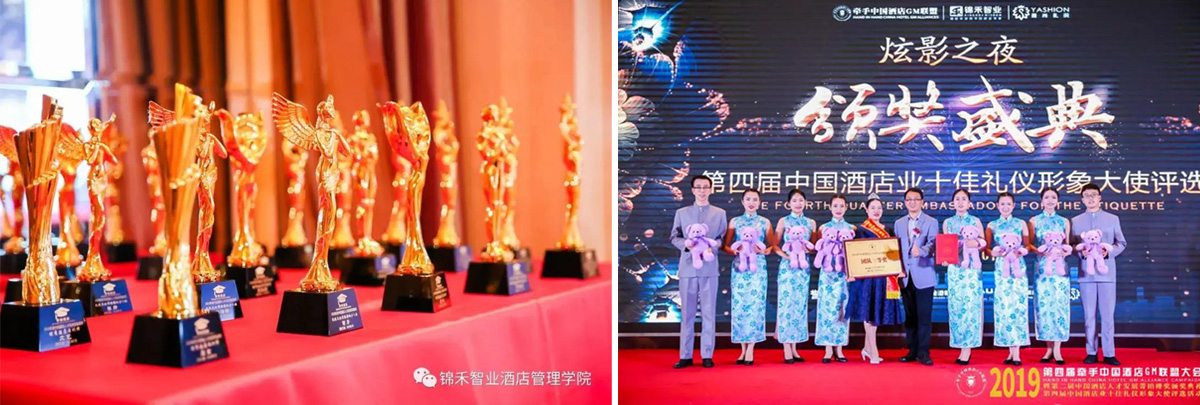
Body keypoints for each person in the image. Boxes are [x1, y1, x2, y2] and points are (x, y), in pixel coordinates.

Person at [669, 175, 727, 369]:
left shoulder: (719, 213)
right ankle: (685, 355)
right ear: (693, 190)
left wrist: (713, 247)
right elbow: (674, 237)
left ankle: (707, 354)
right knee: (687, 314)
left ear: (711, 189)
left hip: (710, 269)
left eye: (705, 187)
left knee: (709, 313)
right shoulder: (681, 213)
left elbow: (722, 239)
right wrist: (685, 245)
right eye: (698, 187)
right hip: (687, 268)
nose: (702, 191)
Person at [1071, 183, 1127, 365]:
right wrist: (1081, 252)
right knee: (1089, 316)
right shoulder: (1076, 221)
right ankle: (1091, 352)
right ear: (1082, 199)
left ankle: (1109, 353)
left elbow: (1121, 243)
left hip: (1107, 274)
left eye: (1093, 195)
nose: (1090, 198)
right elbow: (1071, 246)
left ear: (1100, 197)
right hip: (1086, 275)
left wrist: (1108, 252)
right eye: (1087, 195)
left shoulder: (1113, 219)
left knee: (1108, 316)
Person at [848, 196, 905, 364]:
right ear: (866, 210)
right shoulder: (860, 230)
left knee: (875, 312)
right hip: (867, 279)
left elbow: (894, 253)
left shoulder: (888, 230)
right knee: (869, 314)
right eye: (872, 208)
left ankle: (866, 348)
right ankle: (874, 352)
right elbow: (855, 255)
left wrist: (899, 269)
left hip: (883, 278)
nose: (876, 211)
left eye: (879, 208)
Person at [723, 188, 773, 366]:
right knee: (740, 307)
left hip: (758, 268)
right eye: (748, 199)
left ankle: (751, 348)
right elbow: (726, 246)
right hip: (739, 268)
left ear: (759, 202)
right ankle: (742, 349)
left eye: (755, 199)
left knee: (755, 307)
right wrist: (735, 251)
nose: (751, 203)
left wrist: (763, 250)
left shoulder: (765, 222)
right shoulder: (735, 221)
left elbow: (772, 246)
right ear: (742, 201)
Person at [985, 192, 1031, 366]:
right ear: (997, 206)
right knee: (1004, 308)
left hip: (1019, 270)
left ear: (1013, 205)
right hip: (1001, 270)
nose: (1005, 207)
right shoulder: (992, 225)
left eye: (1008, 204)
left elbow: (1028, 245)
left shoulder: (1021, 224)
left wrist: (1021, 251)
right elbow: (986, 249)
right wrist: (995, 253)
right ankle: (1010, 350)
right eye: (1002, 204)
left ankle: (1017, 351)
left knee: (1018, 307)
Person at [773, 188, 816, 364]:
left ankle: (795, 347)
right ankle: (786, 347)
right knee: (786, 306)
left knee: (799, 306)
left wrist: (808, 249)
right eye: (795, 200)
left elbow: (814, 246)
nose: (798, 204)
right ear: (788, 203)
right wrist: (788, 257)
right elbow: (775, 245)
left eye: (801, 200)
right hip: (787, 268)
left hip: (803, 269)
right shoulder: (783, 221)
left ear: (805, 203)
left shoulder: (811, 223)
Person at [896, 187, 938, 366]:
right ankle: (912, 350)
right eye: (909, 199)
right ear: (905, 203)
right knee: (910, 316)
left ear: (922, 202)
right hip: (904, 276)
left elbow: (934, 244)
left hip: (924, 274)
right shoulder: (898, 223)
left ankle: (924, 352)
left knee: (924, 316)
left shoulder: (931, 221)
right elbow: (895, 248)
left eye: (916, 199)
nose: (912, 202)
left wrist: (921, 251)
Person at [1030, 187, 1071, 365]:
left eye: (1053, 197)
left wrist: (1064, 252)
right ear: (1041, 201)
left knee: (1060, 307)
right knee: (1044, 307)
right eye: (1046, 197)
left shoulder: (1064, 221)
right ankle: (1048, 349)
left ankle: (1058, 349)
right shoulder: (1034, 221)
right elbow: (1030, 245)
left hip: (1060, 271)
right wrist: (1040, 251)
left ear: (1057, 201)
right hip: (1042, 270)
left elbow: (1068, 245)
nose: (1050, 200)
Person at [942, 189, 983, 365]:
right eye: (957, 199)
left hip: (972, 270)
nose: (960, 202)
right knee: (957, 307)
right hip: (954, 270)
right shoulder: (948, 222)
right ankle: (960, 345)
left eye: (964, 199)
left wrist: (977, 243)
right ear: (953, 203)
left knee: (971, 307)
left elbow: (983, 242)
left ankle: (967, 349)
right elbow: (945, 245)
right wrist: (944, 258)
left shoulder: (975, 221)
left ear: (969, 203)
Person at [814, 195, 854, 363]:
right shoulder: (823, 228)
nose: (838, 209)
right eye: (835, 206)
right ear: (830, 207)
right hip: (827, 274)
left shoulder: (851, 228)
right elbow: (818, 250)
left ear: (846, 208)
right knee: (826, 308)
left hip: (843, 275)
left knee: (842, 309)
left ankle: (840, 348)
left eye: (841, 206)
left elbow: (853, 254)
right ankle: (828, 349)